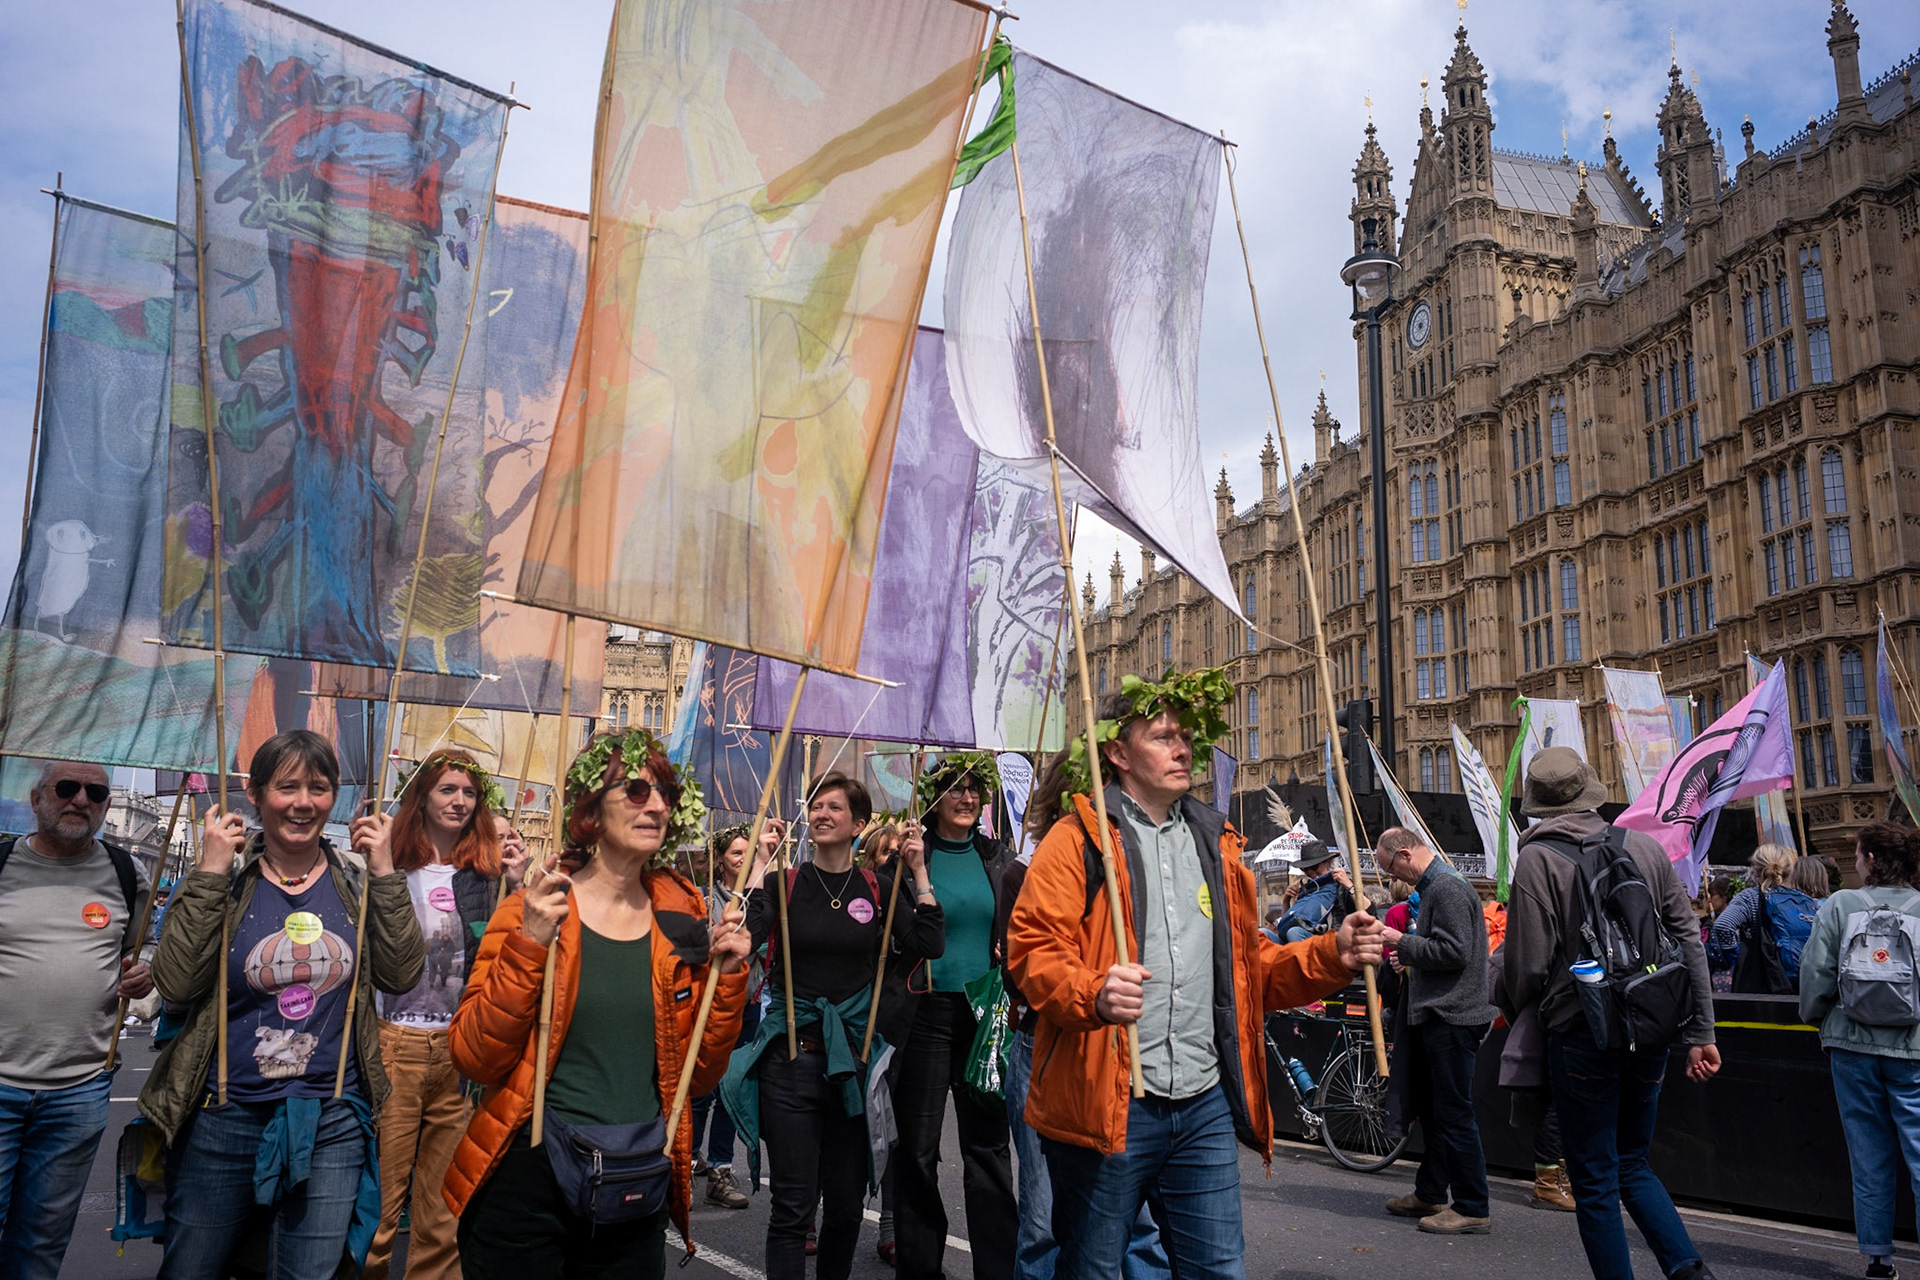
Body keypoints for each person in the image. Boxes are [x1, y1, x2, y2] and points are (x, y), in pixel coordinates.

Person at [1007, 672, 1386, 1279]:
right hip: (1111, 1100)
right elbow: (1033, 951)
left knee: (1218, 1270)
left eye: (1185, 737)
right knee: (1093, 1269)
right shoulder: (1077, 839)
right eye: (1163, 737)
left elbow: (1248, 971)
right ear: (1118, 752)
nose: (1182, 749)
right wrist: (1093, 993)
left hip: (1201, 1104)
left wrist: (1331, 955)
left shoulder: (1218, 845)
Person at [444, 728, 752, 1279]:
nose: (655, 805)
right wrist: (529, 944)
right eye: (635, 790)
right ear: (590, 809)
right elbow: (474, 1057)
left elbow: (698, 1077)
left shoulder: (683, 920)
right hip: (530, 1183)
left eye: (666, 793)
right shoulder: (533, 909)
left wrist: (727, 981)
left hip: (634, 1184)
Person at [141, 730, 426, 1280]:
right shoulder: (223, 876)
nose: (303, 802)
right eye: (287, 786)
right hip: (223, 1114)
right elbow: (175, 983)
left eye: (318, 788)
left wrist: (387, 870)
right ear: (254, 793)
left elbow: (401, 973)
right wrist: (209, 874)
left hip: (331, 1118)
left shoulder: (358, 879)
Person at [1503, 746, 1720, 1280]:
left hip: (1582, 1032)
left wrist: (1516, 1006)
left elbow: (1528, 965)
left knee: (1595, 1180)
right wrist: (1702, 1030)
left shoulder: (1536, 859)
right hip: (1651, 1026)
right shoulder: (1642, 846)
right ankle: (1690, 1272)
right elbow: (1688, 940)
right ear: (1588, 791)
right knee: (1634, 1164)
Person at [726, 773, 943, 1280]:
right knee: (792, 1209)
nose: (821, 814)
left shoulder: (878, 888)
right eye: (817, 806)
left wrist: (919, 872)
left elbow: (929, 943)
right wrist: (760, 863)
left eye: (834, 808)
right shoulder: (784, 883)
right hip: (791, 1062)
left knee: (845, 1211)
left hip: (854, 1064)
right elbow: (746, 932)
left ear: (858, 824)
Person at [1000, 760, 1171, 1280]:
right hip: (1050, 1048)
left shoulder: (1135, 866)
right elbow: (1022, 971)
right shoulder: (1024, 872)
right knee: (1044, 1219)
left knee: (1138, 1222)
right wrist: (1092, 987)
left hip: (1121, 1051)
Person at [0, 761, 152, 1280]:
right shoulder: (3, 864)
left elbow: (143, 950)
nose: (81, 800)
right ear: (37, 798)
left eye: (96, 792)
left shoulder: (126, 873)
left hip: (79, 1091)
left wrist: (144, 973)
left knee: (41, 1244)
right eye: (66, 788)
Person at [366, 751, 507, 1280]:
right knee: (378, 1207)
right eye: (448, 790)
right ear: (421, 797)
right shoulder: (389, 868)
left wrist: (515, 883)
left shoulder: (486, 877)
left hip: (458, 1051)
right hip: (393, 1043)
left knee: (444, 1213)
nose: (459, 801)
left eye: (469, 793)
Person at [893, 754, 1018, 1280]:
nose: (967, 798)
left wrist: (1007, 950)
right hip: (924, 1014)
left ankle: (998, 1269)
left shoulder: (999, 859)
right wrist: (908, 867)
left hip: (983, 1015)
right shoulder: (906, 860)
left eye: (975, 789)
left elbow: (1018, 926)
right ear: (934, 798)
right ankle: (920, 1268)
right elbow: (893, 934)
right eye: (955, 789)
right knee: (918, 1151)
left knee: (988, 1149)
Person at [1799, 822, 1920, 1280]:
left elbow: (1815, 973)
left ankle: (1878, 1260)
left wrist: (1819, 1019)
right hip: (1913, 1047)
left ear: (1870, 859)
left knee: (1868, 1153)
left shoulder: (1840, 904)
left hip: (1851, 1044)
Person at [1374, 828, 1495, 1235]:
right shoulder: (1438, 887)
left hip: (1452, 1016)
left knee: (1454, 1114)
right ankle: (1430, 1191)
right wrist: (1410, 953)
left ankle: (1473, 1205)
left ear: (1405, 855)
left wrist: (1402, 942)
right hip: (1442, 1013)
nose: (1393, 877)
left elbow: (1455, 951)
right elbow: (1444, 949)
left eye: (1391, 868)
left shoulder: (1445, 888)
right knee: (1435, 1111)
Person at [688, 824, 759, 1211]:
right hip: (709, 1005)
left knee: (732, 1090)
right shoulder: (702, 900)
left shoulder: (759, 898)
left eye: (748, 853)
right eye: (736, 853)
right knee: (702, 1090)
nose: (743, 859)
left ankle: (720, 1169)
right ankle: (686, 1164)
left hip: (747, 1005)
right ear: (720, 860)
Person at [1710, 844, 1802, 994]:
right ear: (1788, 870)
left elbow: (1723, 925)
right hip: (1799, 984)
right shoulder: (1802, 900)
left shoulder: (1750, 898)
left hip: (1761, 984)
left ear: (1756, 870)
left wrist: (1733, 956)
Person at [1272, 840, 1351, 943]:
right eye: (1305, 869)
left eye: (1314, 867)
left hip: (1328, 940)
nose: (1310, 872)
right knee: (1262, 933)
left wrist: (1350, 886)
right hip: (1300, 936)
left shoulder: (1341, 885)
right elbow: (1286, 924)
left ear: (1327, 862)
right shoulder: (1306, 889)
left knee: (1294, 932)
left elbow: (1366, 910)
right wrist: (1286, 901)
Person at [1702, 876, 1736, 994]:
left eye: (1713, 896)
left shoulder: (1727, 924)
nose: (1709, 900)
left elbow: (1719, 955)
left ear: (1724, 897)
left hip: (1726, 981)